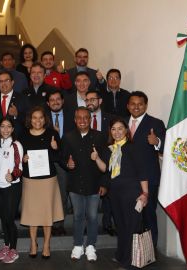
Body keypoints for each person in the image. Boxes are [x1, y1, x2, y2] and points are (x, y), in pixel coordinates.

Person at [61, 107, 107, 262]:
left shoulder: (100, 137)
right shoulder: (67, 137)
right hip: (75, 184)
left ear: (90, 119)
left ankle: (91, 246)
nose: (82, 120)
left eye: (85, 117)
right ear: (74, 120)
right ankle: (78, 245)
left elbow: (106, 163)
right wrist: (67, 163)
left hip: (94, 184)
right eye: (79, 118)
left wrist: (104, 184)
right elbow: (62, 158)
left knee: (93, 217)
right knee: (78, 216)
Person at [19, 106, 64, 259]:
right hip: (30, 180)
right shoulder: (23, 135)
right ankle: (33, 243)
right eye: (34, 117)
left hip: (48, 180)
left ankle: (46, 244)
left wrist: (55, 148)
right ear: (29, 120)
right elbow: (18, 158)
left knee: (46, 213)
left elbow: (59, 157)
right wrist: (23, 160)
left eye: (40, 117)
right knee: (32, 213)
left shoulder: (53, 134)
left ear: (45, 119)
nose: (37, 120)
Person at [104, 117, 149, 269]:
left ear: (126, 131)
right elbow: (108, 171)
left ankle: (129, 261)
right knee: (121, 226)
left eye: (120, 129)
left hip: (131, 193)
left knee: (131, 227)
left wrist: (145, 193)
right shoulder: (112, 148)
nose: (117, 132)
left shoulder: (132, 147)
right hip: (115, 193)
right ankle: (121, 255)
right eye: (113, 129)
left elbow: (143, 171)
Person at [126, 91, 166, 248]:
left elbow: (167, 146)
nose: (136, 107)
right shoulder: (121, 123)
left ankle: (149, 251)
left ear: (145, 105)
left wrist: (157, 142)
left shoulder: (156, 123)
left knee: (148, 215)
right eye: (133, 104)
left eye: (140, 104)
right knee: (129, 216)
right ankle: (129, 250)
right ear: (128, 106)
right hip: (127, 179)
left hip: (149, 178)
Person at [0, 118, 23, 264]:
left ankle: (14, 249)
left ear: (12, 129)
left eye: (8, 127)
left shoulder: (16, 145)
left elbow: (19, 166)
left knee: (9, 219)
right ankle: (6, 245)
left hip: (12, 187)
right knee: (4, 218)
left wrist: (13, 175)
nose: (5, 129)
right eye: (2, 126)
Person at [85, 90, 116, 235]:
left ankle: (107, 223)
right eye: (87, 100)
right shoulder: (82, 119)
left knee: (108, 194)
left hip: (106, 160)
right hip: (88, 162)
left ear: (100, 101)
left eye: (93, 99)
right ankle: (88, 224)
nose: (90, 102)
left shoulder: (111, 119)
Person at [46, 89, 75, 236]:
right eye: (52, 100)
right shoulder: (43, 119)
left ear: (63, 101)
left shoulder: (72, 117)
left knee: (62, 194)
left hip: (64, 161)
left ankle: (59, 224)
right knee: (47, 195)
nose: (55, 102)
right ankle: (48, 224)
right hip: (47, 162)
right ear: (48, 103)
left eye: (58, 99)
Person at [0, 71, 29, 136]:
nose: (3, 83)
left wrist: (17, 114)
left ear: (12, 82)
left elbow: (29, 120)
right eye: (1, 81)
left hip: (17, 138)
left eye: (6, 80)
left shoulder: (23, 99)